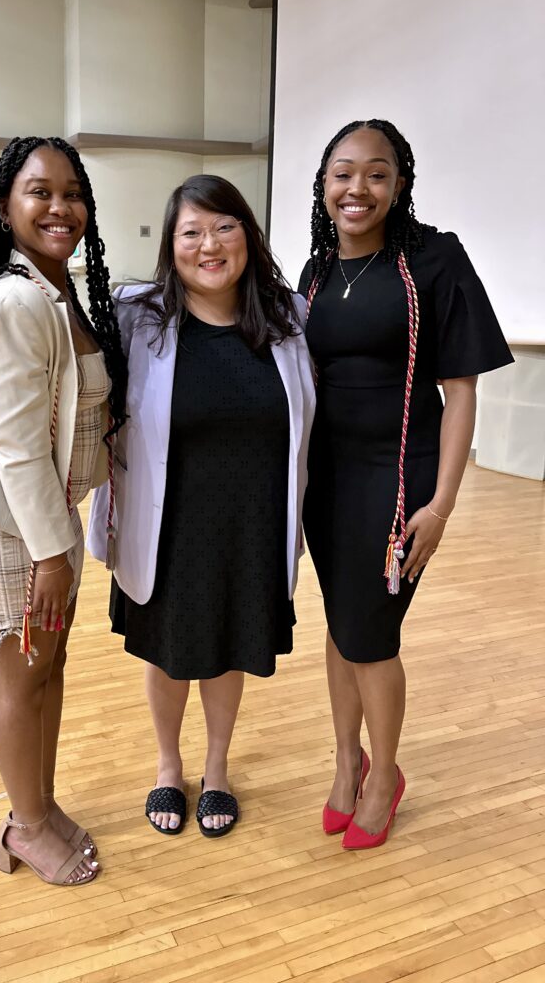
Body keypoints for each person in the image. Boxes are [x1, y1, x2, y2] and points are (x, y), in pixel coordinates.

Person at [299, 119, 513, 849]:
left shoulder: (433, 260)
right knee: (340, 622)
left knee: (373, 635)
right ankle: (344, 760)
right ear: (324, 184)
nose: (358, 188)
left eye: (377, 173)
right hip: (325, 478)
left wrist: (444, 502)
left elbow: (461, 389)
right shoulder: (318, 270)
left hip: (398, 478)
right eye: (343, 173)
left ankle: (385, 775)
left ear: (399, 183)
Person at [88, 175, 316, 838]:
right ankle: (168, 764)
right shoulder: (139, 318)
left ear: (247, 234)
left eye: (224, 227)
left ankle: (217, 769)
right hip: (169, 520)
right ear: (171, 245)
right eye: (191, 232)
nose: (209, 245)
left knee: (228, 650)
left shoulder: (287, 319)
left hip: (251, 521)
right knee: (167, 652)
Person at [0, 136, 127, 884]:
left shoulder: (58, 290)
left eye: (72, 193)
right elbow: (17, 449)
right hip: (6, 528)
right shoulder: (18, 299)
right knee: (19, 678)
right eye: (39, 192)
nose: (60, 207)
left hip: (50, 520)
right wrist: (52, 554)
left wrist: (62, 541)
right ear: (4, 207)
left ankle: (39, 805)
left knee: (49, 668)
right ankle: (25, 826)